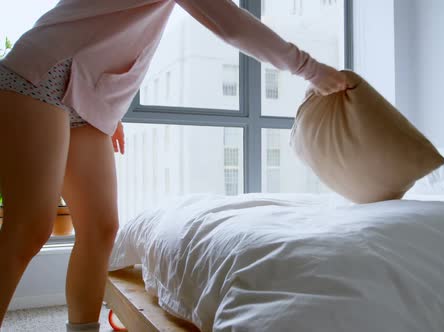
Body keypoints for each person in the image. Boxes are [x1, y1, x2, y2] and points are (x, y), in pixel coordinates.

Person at [0, 0, 349, 330]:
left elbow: (112, 27)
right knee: (29, 227)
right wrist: (310, 69)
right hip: (42, 73)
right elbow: (231, 24)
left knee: (102, 228)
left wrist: (103, 103)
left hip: (82, 93)